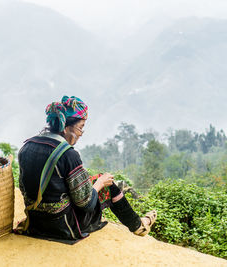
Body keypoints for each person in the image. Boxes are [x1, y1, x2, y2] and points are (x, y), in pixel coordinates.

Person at [16, 96, 157, 242]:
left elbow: (24, 187)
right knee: (107, 183)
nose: (80, 134)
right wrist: (101, 182)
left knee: (92, 182)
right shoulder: (68, 155)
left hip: (35, 220)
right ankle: (139, 226)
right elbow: (86, 204)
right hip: (62, 225)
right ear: (65, 128)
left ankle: (138, 224)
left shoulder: (26, 147)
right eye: (80, 127)